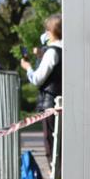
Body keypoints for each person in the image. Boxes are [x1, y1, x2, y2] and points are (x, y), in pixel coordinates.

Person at [21, 13, 62, 163]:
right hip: (63, 100)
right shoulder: (67, 49)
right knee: (62, 143)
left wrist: (28, 68)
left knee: (51, 142)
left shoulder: (52, 51)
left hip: (51, 102)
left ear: (51, 32)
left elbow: (37, 79)